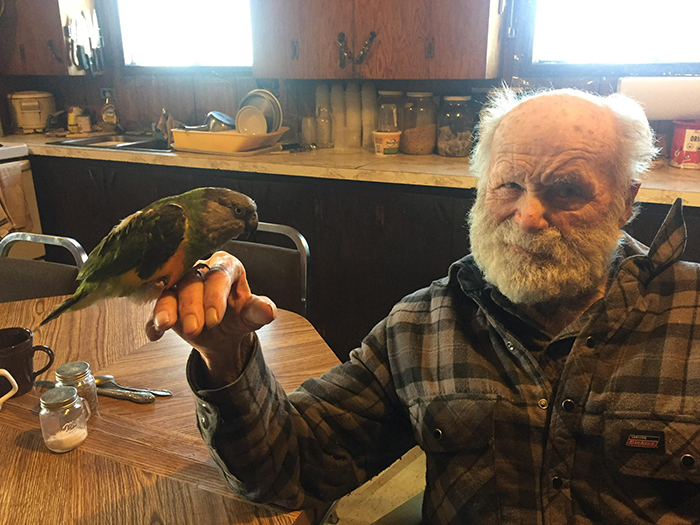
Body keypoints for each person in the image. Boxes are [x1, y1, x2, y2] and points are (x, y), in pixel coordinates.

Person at [146, 88, 700, 524]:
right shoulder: (422, 326)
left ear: (627, 200)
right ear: (481, 188)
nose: (528, 216)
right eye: (508, 184)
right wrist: (227, 358)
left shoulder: (690, 317)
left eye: (566, 189)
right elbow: (290, 468)